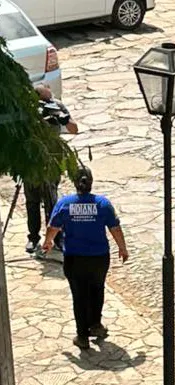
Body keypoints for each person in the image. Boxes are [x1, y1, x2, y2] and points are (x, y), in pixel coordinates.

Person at [42, 167, 129, 350]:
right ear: (91, 182)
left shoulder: (65, 203)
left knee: (79, 296)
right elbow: (115, 228)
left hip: (75, 258)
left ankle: (82, 336)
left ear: (75, 182)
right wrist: (122, 248)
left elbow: (53, 226)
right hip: (98, 257)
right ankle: (96, 324)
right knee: (97, 290)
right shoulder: (103, 204)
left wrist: (48, 242)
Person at [25, 84, 78, 253]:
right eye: (45, 100)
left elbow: (74, 129)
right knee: (32, 202)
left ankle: (57, 238)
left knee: (52, 203)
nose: (49, 102)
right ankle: (33, 238)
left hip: (52, 161)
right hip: (31, 162)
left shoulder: (57, 106)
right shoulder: (28, 109)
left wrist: (63, 118)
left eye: (50, 98)